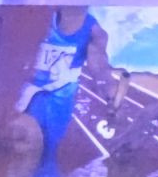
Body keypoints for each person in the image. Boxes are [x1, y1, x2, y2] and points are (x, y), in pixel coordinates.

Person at [16, 8, 106, 162]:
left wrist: (111, 99)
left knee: (47, 151)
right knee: (19, 149)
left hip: (60, 98)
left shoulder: (94, 31)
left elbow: (100, 70)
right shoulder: (39, 17)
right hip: (25, 94)